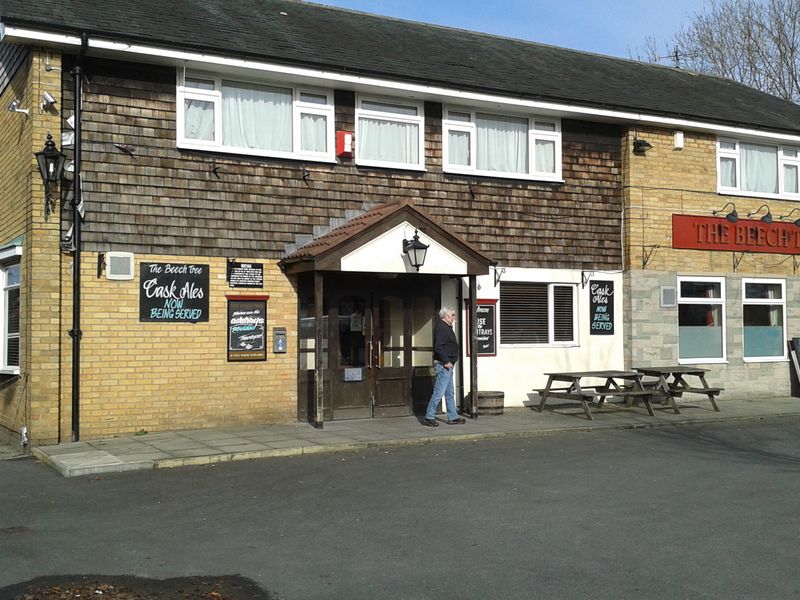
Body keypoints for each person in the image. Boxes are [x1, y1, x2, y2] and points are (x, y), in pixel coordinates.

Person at [424, 307, 466, 426]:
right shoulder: (442, 328)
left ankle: (452, 417)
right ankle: (429, 415)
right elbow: (439, 346)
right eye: (452, 315)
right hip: (444, 365)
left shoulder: (446, 327)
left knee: (449, 392)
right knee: (439, 392)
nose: (454, 317)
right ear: (445, 316)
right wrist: (446, 361)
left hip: (448, 365)